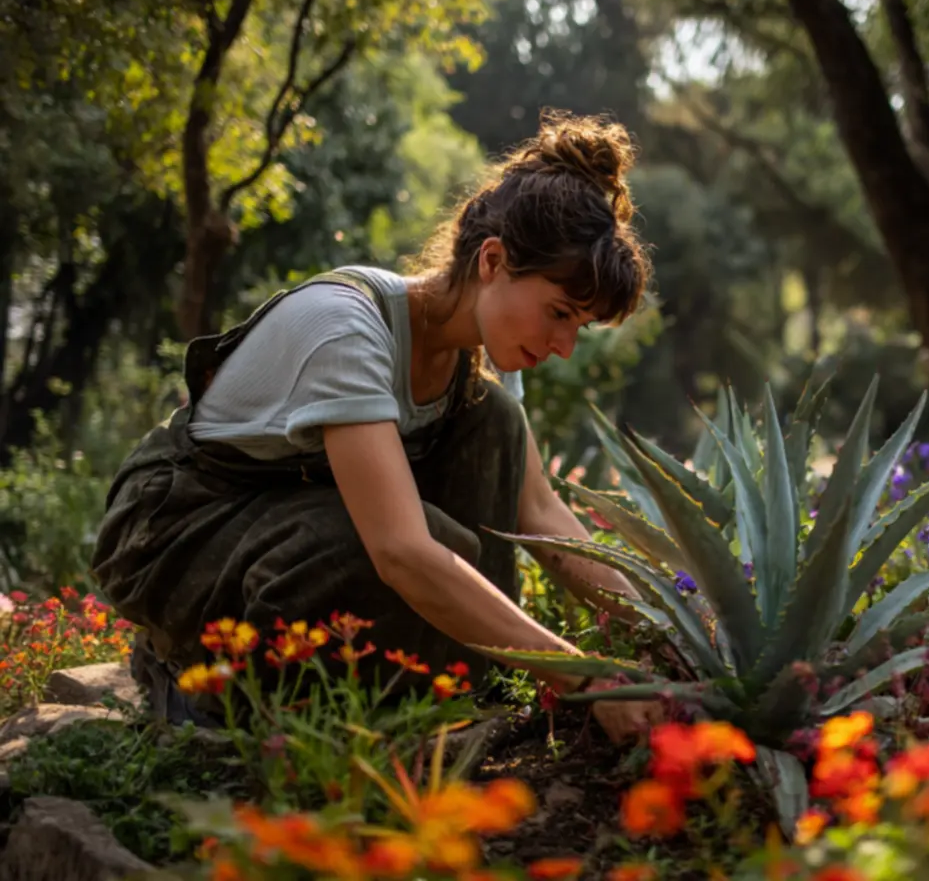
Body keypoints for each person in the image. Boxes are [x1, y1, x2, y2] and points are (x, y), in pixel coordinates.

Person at [90, 111, 663, 743]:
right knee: (388, 544)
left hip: (280, 518)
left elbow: (540, 512)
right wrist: (579, 675)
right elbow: (401, 552)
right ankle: (200, 674)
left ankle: (459, 688)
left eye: (577, 326)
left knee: (493, 421)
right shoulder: (347, 330)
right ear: (493, 261)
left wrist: (661, 631)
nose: (563, 346)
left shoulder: (477, 356)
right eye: (558, 314)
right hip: (178, 531)